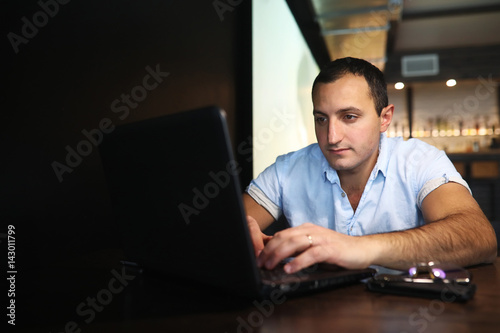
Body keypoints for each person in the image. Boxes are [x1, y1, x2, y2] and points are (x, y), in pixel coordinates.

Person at [243, 57, 497, 274]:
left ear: (384, 118)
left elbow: (479, 238)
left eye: (349, 117)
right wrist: (237, 232)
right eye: (321, 119)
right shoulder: (288, 169)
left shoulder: (419, 161)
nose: (332, 137)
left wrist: (358, 247)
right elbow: (226, 225)